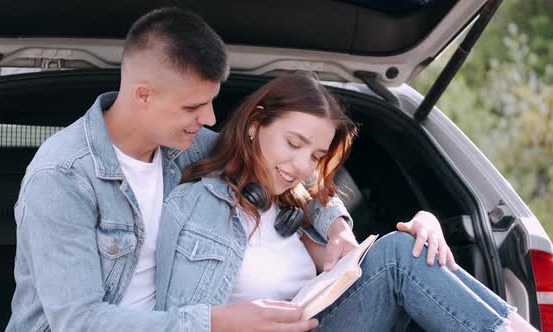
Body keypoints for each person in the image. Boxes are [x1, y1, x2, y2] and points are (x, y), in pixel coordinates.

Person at [5, 8, 357, 332]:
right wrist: (215, 322)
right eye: (194, 106)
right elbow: (79, 321)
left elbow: (282, 168)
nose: (209, 119)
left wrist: (338, 226)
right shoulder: (62, 178)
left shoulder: (190, 147)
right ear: (144, 95)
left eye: (210, 102)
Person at [155, 73, 538, 332]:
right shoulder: (191, 200)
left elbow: (352, 262)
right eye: (293, 144)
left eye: (316, 156)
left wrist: (424, 223)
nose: (301, 166)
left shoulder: (293, 214)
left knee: (402, 251)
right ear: (255, 124)